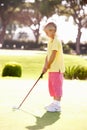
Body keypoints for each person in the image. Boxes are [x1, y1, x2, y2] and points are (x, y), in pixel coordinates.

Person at [42, 22, 65, 112]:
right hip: (52, 68)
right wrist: (45, 66)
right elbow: (48, 55)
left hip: (57, 68)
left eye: (47, 32)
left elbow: (53, 55)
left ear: (53, 31)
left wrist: (47, 66)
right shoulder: (50, 41)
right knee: (52, 86)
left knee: (57, 86)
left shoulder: (56, 40)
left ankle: (57, 105)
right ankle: (54, 102)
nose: (46, 34)